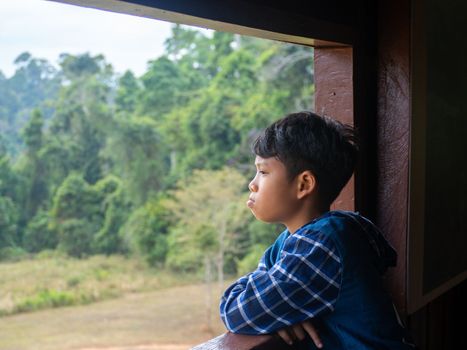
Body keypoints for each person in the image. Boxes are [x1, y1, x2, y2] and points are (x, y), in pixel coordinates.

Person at [219, 111, 415, 349]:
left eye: (263, 172)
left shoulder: (322, 245)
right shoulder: (295, 240)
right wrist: (281, 312)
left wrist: (275, 309)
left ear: (304, 184)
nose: (252, 183)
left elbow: (237, 312)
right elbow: (262, 295)